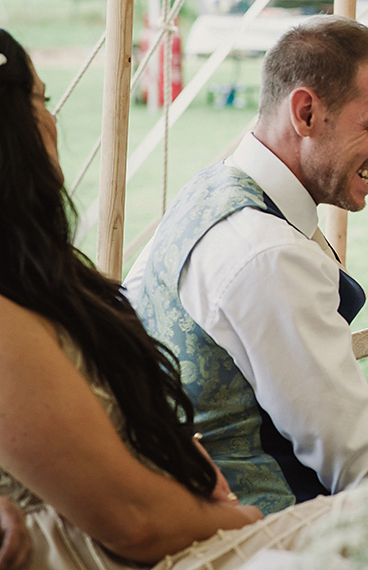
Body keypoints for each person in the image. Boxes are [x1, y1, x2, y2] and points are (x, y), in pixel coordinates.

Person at [0, 30, 346, 570]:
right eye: (39, 100)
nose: (52, 119)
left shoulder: (40, 275)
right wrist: (240, 521)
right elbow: (132, 519)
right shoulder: (258, 245)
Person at [132, 15, 368, 516]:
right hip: (269, 531)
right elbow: (361, 467)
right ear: (305, 113)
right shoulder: (268, 255)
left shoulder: (210, 189)